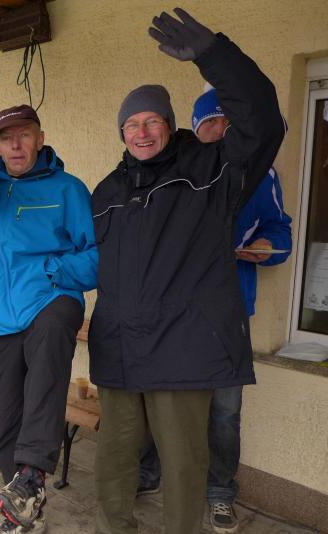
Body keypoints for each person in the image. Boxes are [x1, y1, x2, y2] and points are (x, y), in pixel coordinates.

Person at [88, 8, 285, 534]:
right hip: (120, 347)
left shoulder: (211, 170)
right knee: (114, 461)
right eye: (131, 124)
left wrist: (214, 56)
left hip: (183, 346)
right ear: (121, 132)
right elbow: (93, 262)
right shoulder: (107, 191)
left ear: (170, 124)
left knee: (182, 466)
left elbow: (264, 122)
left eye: (152, 120)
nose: (142, 131)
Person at [137, 87, 292, 534]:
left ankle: (220, 491)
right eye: (211, 123)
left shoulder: (260, 174)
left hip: (228, 312)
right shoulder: (174, 170)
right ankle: (149, 471)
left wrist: (267, 246)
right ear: (195, 129)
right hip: (172, 311)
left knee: (225, 409)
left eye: (229, 123)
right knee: (160, 396)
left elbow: (281, 232)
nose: (221, 131)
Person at [0, 105, 98, 534]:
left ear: (40, 138)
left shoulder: (68, 190)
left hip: (50, 300)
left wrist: (53, 270)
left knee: (48, 360)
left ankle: (34, 472)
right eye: (6, 138)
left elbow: (98, 255)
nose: (15, 145)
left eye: (24, 135)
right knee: (6, 420)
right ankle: (23, 509)